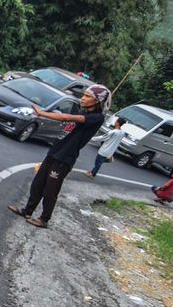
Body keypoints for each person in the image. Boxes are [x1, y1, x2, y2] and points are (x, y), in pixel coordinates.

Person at [8, 84, 111, 228]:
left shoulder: (96, 118)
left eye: (88, 96)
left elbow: (65, 117)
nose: (83, 98)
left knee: (51, 190)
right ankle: (27, 211)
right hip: (54, 153)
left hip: (65, 159)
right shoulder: (83, 111)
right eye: (84, 95)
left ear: (98, 101)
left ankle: (44, 219)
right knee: (38, 183)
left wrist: (42, 113)